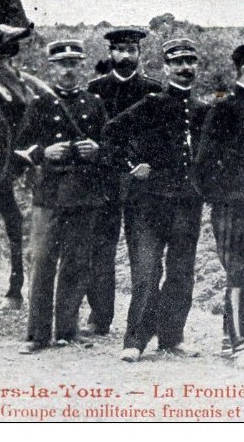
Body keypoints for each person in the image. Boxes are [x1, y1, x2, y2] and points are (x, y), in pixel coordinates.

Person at [105, 38, 209, 362]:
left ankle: (171, 337)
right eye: (177, 63)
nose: (184, 68)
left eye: (190, 62)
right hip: (147, 204)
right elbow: (111, 132)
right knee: (147, 273)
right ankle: (134, 341)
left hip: (186, 204)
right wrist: (130, 167)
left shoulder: (203, 110)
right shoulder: (151, 104)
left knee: (181, 273)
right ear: (166, 68)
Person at [15, 40, 108, 354]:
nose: (68, 70)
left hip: (84, 193)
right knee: (42, 262)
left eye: (74, 64)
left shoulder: (94, 103)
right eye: (62, 64)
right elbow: (20, 149)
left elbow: (108, 146)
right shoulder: (39, 105)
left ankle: (67, 330)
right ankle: (37, 335)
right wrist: (44, 152)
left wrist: (96, 149)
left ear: (80, 67)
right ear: (51, 68)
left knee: (77, 262)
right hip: (50, 194)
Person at [194, 41, 244, 374]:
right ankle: (242, 347)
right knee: (239, 271)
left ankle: (230, 340)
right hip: (234, 209)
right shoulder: (224, 109)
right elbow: (202, 165)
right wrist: (222, 199)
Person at [84, 27, 163, 336]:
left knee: (142, 251)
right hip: (104, 179)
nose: (126, 55)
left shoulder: (153, 90)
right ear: (110, 53)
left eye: (132, 50)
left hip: (140, 181)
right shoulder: (95, 89)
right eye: (120, 49)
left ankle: (143, 320)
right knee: (101, 249)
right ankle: (100, 316)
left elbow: (161, 137)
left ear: (139, 54)